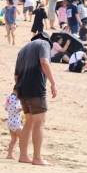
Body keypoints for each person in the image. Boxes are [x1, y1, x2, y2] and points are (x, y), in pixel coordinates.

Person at [15, 32, 57, 165]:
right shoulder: (44, 44)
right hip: (36, 88)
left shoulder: (23, 49)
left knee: (29, 122)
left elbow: (16, 76)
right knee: (39, 122)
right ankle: (37, 158)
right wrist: (53, 82)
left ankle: (23, 155)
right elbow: (44, 62)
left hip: (22, 88)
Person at [4, 87, 23, 159]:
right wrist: (25, 107)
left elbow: (6, 108)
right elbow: (16, 109)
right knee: (23, 138)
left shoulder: (8, 97)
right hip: (15, 122)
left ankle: (9, 154)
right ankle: (23, 154)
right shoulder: (15, 98)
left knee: (14, 139)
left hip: (10, 121)